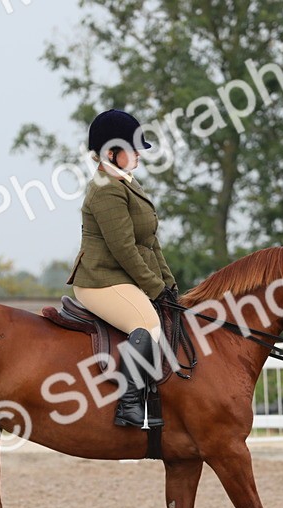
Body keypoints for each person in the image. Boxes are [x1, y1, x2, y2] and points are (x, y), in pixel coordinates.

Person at [68, 109, 176, 429]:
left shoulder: (127, 183)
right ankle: (128, 404)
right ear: (111, 153)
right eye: (133, 149)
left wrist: (168, 285)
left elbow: (149, 242)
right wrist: (154, 289)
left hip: (123, 277)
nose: (139, 154)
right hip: (100, 279)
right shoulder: (105, 189)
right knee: (147, 322)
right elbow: (124, 250)